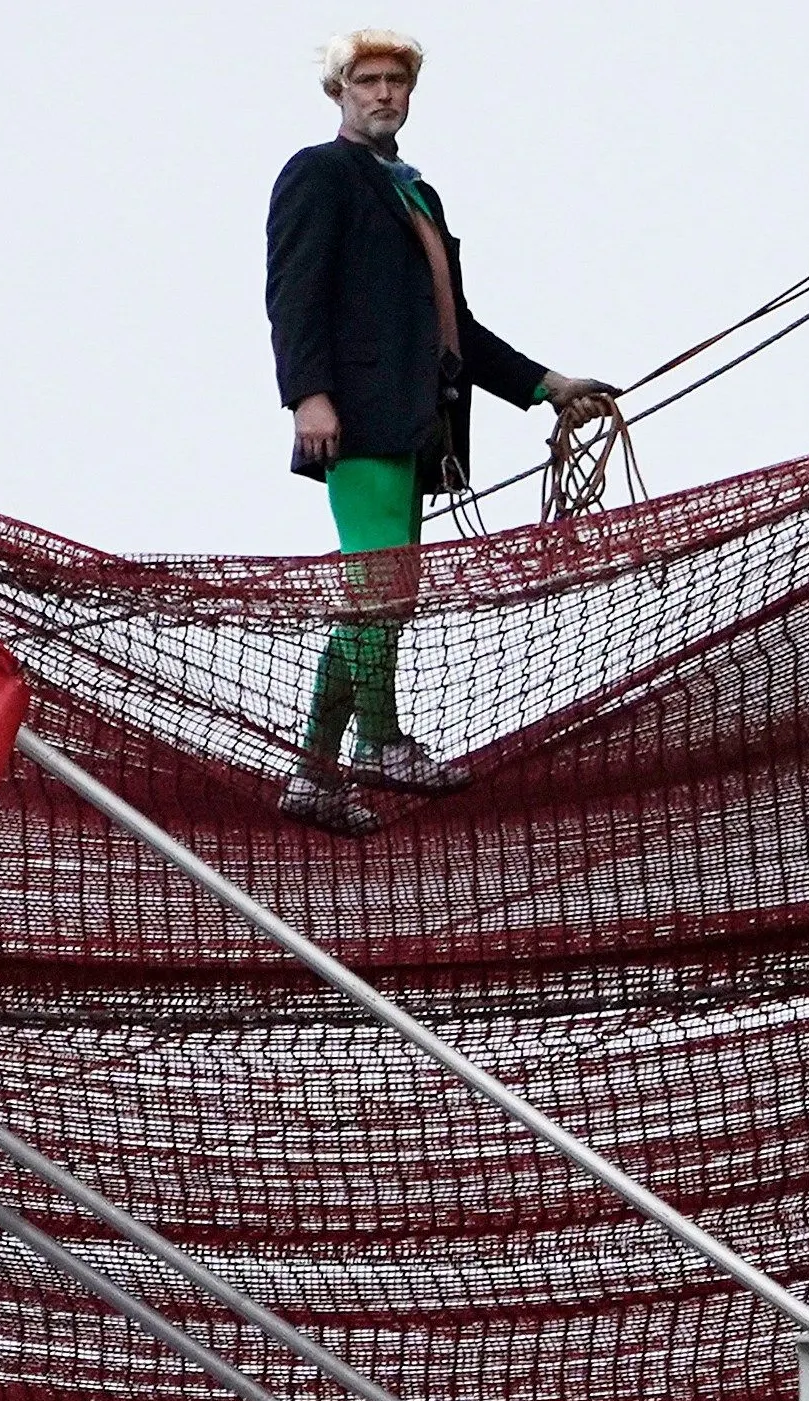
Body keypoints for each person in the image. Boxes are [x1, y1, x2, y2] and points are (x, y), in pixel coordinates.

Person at [264, 27, 614, 833]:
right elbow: (292, 295)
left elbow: (452, 324)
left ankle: (313, 778)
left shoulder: (415, 193)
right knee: (378, 588)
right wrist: (307, 396)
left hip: (416, 425)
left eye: (396, 81)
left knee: (376, 598)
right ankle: (379, 741)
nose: (384, 93)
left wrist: (545, 386)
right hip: (354, 421)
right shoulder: (318, 174)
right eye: (367, 80)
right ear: (338, 92)